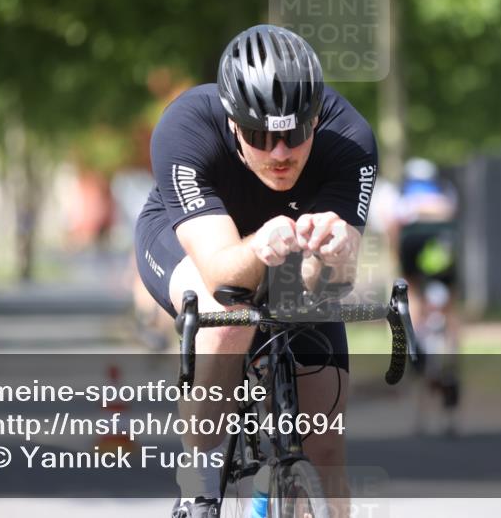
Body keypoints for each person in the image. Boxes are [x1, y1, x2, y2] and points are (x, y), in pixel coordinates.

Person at [134, 25, 378, 518]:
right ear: (231, 122)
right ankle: (199, 482)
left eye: (294, 134)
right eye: (260, 136)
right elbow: (225, 273)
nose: (280, 152)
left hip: (288, 251)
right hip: (191, 242)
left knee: (327, 453)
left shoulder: (349, 139)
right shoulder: (185, 126)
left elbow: (339, 274)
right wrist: (262, 244)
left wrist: (332, 251)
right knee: (229, 312)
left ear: (316, 119)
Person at [387, 158, 462, 430]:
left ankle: (415, 338)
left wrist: (397, 261)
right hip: (442, 237)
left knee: (414, 291)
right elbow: (453, 218)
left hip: (413, 238)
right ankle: (452, 351)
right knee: (450, 303)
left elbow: (393, 228)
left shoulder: (402, 193)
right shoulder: (445, 190)